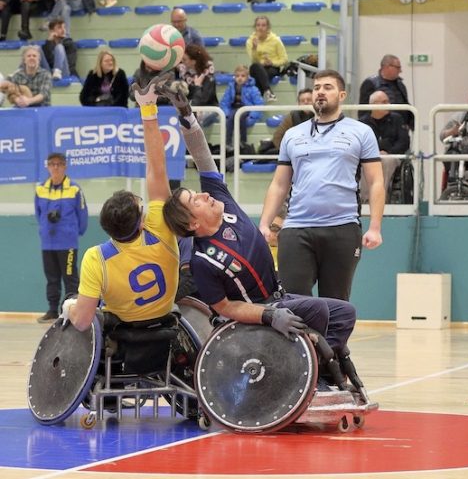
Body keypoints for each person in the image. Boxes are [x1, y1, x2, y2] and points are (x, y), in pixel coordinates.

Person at [157, 85, 358, 370]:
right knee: (317, 309)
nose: (203, 194)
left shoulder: (224, 204)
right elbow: (224, 308)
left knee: (345, 312)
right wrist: (267, 316)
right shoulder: (202, 260)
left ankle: (323, 366)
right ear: (192, 222)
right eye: (195, 200)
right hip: (259, 309)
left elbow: (202, 157)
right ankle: (315, 373)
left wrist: (186, 115)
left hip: (279, 296)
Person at [61, 72, 180, 332]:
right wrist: (148, 108)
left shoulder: (96, 257)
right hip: (164, 325)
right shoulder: (159, 230)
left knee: (74, 307)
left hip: (123, 336)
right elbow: (157, 169)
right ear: (140, 224)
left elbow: (81, 322)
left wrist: (70, 307)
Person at [259, 69, 384, 301]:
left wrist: (375, 226)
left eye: (327, 87)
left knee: (335, 304)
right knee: (293, 302)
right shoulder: (293, 135)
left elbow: (376, 181)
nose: (320, 92)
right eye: (317, 88)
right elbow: (279, 183)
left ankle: (332, 340)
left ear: (342, 95)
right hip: (297, 228)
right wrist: (265, 222)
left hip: (342, 227)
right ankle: (303, 340)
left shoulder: (361, 132)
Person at [34, 152, 88, 323]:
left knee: (70, 278)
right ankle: (52, 310)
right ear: (47, 166)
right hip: (48, 243)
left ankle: (70, 311)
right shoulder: (40, 188)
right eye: (52, 164)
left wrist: (72, 233)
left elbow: (83, 214)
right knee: (51, 278)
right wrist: (44, 229)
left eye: (59, 164)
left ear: (65, 166)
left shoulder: (75, 189)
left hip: (68, 242)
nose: (55, 167)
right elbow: (38, 214)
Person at [359, 90, 410, 202]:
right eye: (384, 102)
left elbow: (404, 141)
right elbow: (358, 143)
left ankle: (380, 198)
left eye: (388, 101)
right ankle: (366, 199)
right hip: (369, 155)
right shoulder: (362, 122)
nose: (388, 104)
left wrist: (389, 152)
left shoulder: (397, 119)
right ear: (373, 105)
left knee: (386, 161)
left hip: (391, 155)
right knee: (365, 162)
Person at [359, 54, 413, 130]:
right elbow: (363, 110)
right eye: (398, 67)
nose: (400, 71)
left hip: (400, 129)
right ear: (387, 67)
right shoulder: (371, 83)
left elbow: (405, 104)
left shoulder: (400, 85)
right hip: (380, 129)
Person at [219, 64, 263, 156]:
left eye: (243, 76)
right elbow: (224, 102)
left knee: (241, 116)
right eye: (237, 76)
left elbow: (259, 104)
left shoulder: (253, 89)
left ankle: (243, 142)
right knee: (230, 118)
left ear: (247, 77)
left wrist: (252, 115)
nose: (240, 78)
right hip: (234, 109)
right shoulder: (230, 88)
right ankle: (228, 143)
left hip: (247, 109)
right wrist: (226, 113)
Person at [259, 87, 313, 156]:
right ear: (299, 104)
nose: (305, 102)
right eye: (302, 101)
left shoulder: (322, 116)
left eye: (309, 100)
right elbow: (277, 137)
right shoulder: (292, 116)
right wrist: (287, 152)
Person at [246, 15, 287, 102]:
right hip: (257, 67)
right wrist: (254, 48)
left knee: (259, 78)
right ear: (255, 27)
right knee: (255, 66)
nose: (260, 28)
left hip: (272, 67)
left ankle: (257, 102)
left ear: (268, 27)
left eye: (263, 25)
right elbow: (253, 60)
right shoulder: (250, 41)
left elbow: (284, 59)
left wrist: (271, 63)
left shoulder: (276, 40)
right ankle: (268, 91)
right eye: (258, 25)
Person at [178, 44, 217, 126]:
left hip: (207, 106)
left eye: (185, 59)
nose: (182, 61)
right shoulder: (184, 70)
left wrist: (197, 86)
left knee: (193, 119)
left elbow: (204, 98)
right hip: (190, 105)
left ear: (193, 61)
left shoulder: (208, 71)